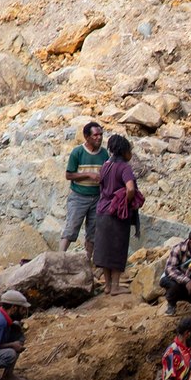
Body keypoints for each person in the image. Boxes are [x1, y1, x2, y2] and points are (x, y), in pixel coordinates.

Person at [94, 134, 142, 296]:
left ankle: (107, 286)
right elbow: (130, 188)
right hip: (116, 214)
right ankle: (115, 287)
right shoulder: (124, 168)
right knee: (117, 248)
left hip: (102, 210)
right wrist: (126, 203)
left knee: (105, 249)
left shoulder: (105, 166)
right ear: (125, 151)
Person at [60, 121, 108, 264]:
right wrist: (88, 175)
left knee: (93, 231)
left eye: (100, 135)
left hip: (97, 197)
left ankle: (87, 261)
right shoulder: (77, 152)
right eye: (95, 135)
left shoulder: (104, 153)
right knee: (72, 226)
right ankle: (59, 258)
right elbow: (69, 175)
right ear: (87, 137)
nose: (99, 138)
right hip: (78, 197)